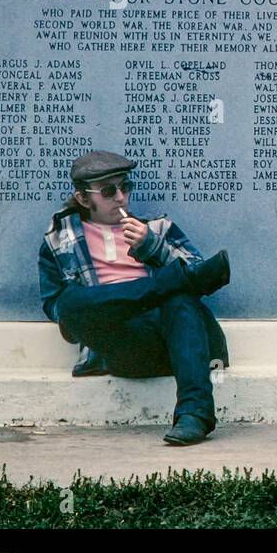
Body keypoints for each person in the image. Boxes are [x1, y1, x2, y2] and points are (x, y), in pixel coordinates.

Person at [38, 150, 232, 446]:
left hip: (170, 341)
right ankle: (160, 288)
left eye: (125, 187)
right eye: (108, 191)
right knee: (70, 301)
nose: (120, 197)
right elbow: (55, 307)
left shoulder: (157, 230)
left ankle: (195, 415)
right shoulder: (57, 241)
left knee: (180, 299)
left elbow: (196, 272)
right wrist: (131, 296)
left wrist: (151, 247)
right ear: (83, 199)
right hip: (119, 343)